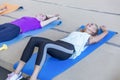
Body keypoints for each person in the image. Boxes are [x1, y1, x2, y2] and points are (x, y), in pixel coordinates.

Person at [6, 23, 108, 80]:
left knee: (45, 44)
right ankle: (16, 73)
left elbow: (97, 39)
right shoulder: (77, 32)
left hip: (68, 50)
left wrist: (105, 31)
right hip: (58, 44)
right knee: (33, 39)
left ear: (94, 32)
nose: (89, 24)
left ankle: (34, 77)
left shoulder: (89, 37)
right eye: (89, 23)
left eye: (92, 25)